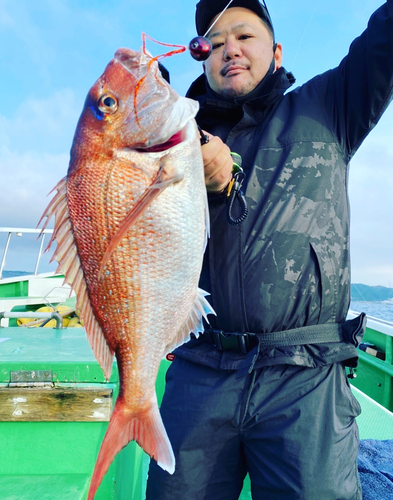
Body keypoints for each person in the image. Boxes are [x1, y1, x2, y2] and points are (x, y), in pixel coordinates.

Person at [146, 0, 393, 499]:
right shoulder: (174, 139)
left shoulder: (330, 104)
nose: (229, 50)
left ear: (276, 52)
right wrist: (188, 162)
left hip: (306, 374)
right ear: (200, 58)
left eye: (244, 36)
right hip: (201, 369)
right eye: (214, 44)